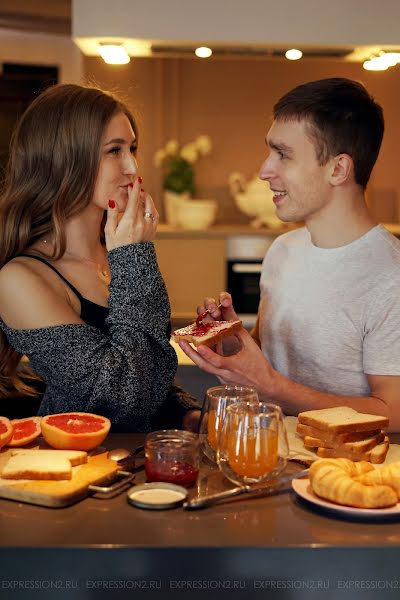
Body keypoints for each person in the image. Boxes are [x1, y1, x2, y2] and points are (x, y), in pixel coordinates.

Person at [179, 77, 400, 432]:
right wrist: (233, 341)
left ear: (338, 169)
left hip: (340, 475)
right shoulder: (283, 250)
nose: (265, 170)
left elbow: (392, 411)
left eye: (283, 154)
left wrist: (274, 389)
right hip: (270, 458)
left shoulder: (391, 277)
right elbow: (269, 356)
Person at [0, 83, 200, 432]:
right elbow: (121, 399)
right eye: (114, 150)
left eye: (132, 148)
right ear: (64, 158)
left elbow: (146, 368)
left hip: (144, 466)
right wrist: (134, 257)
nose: (132, 166)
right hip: (76, 471)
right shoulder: (20, 279)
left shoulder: (116, 254)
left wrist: (189, 415)